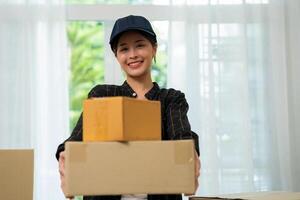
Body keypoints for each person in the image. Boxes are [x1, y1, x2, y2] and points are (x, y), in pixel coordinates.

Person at [56, 15, 201, 200]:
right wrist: (65, 153)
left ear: (154, 49)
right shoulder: (103, 94)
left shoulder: (170, 99)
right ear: (117, 56)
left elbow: (182, 140)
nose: (132, 54)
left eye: (140, 45)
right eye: (124, 49)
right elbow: (77, 139)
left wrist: (190, 152)